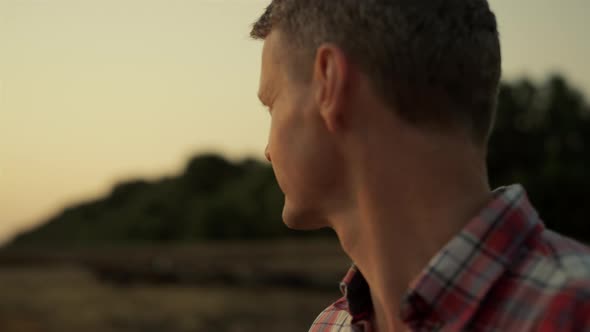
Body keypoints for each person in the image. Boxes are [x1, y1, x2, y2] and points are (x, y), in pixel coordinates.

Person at [249, 0, 590, 331]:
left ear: (329, 81)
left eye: (272, 104)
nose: (267, 150)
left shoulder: (576, 313)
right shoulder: (329, 326)